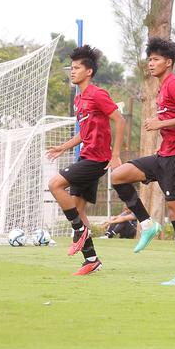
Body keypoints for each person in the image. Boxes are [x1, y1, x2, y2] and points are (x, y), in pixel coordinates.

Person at [108, 37, 175, 285]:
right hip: (164, 156)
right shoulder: (163, 86)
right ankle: (147, 224)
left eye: (156, 59)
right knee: (119, 176)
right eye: (149, 59)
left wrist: (161, 123)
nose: (150, 63)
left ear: (168, 62)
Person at [45, 45, 128, 276]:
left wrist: (115, 155)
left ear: (88, 71)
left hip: (96, 159)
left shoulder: (98, 94)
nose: (72, 71)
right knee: (78, 208)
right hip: (86, 155)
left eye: (77, 68)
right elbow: (85, 132)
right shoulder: (79, 99)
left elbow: (120, 121)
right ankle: (91, 260)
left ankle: (79, 231)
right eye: (71, 68)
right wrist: (63, 147)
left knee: (55, 184)